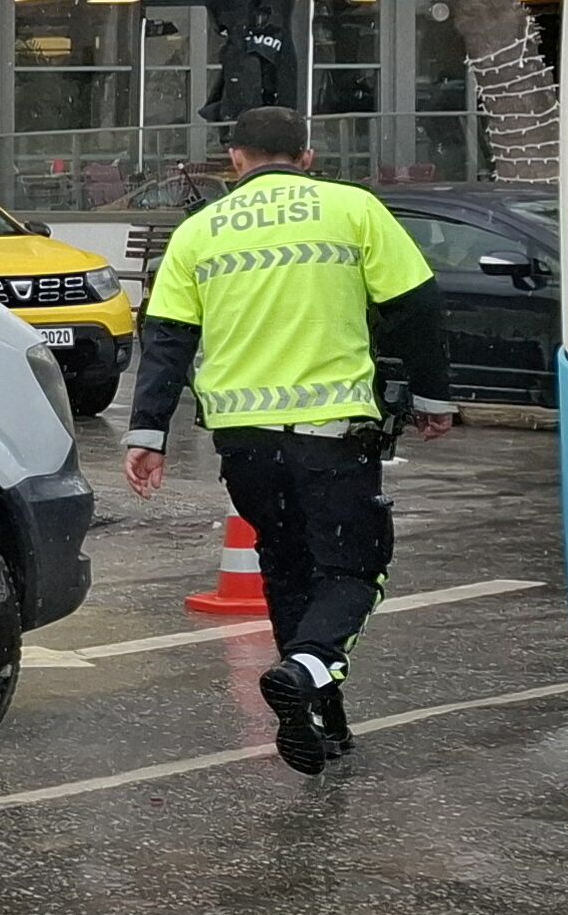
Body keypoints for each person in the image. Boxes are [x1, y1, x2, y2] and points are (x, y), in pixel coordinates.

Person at [122, 104, 455, 774]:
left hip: (244, 445)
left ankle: (322, 717)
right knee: (353, 571)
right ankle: (305, 674)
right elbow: (416, 304)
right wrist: (431, 396)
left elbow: (166, 341)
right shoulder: (351, 209)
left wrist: (147, 433)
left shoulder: (197, 231)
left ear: (235, 160)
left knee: (285, 567)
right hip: (331, 436)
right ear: (306, 157)